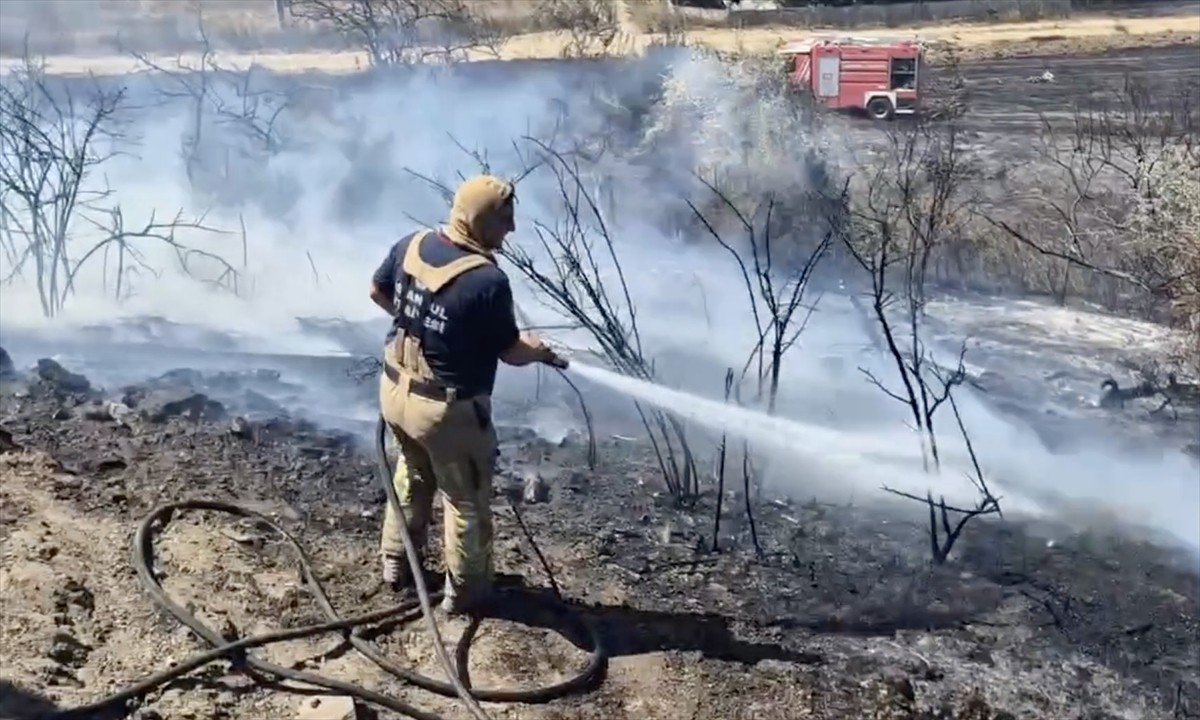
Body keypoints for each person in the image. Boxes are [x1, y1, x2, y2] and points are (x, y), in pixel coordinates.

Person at [368, 174, 568, 615]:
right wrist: (537, 351)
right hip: (446, 414)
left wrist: (418, 325)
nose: (512, 230)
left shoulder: (412, 244)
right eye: (505, 220)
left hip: (395, 390)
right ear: (480, 220)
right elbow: (510, 352)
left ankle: (396, 565)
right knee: (466, 499)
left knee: (413, 474)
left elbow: (377, 290)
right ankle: (468, 594)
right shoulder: (487, 282)